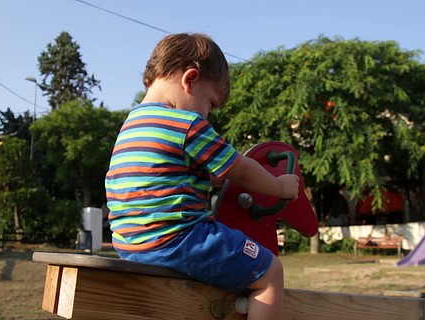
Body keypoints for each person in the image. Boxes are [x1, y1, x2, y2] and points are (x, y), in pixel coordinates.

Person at [105, 33, 299, 320]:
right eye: (210, 103)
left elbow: (165, 179)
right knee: (271, 273)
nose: (208, 114)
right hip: (178, 239)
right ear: (190, 79)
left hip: (129, 245)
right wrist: (279, 186)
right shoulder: (186, 123)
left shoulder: (132, 125)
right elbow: (241, 169)